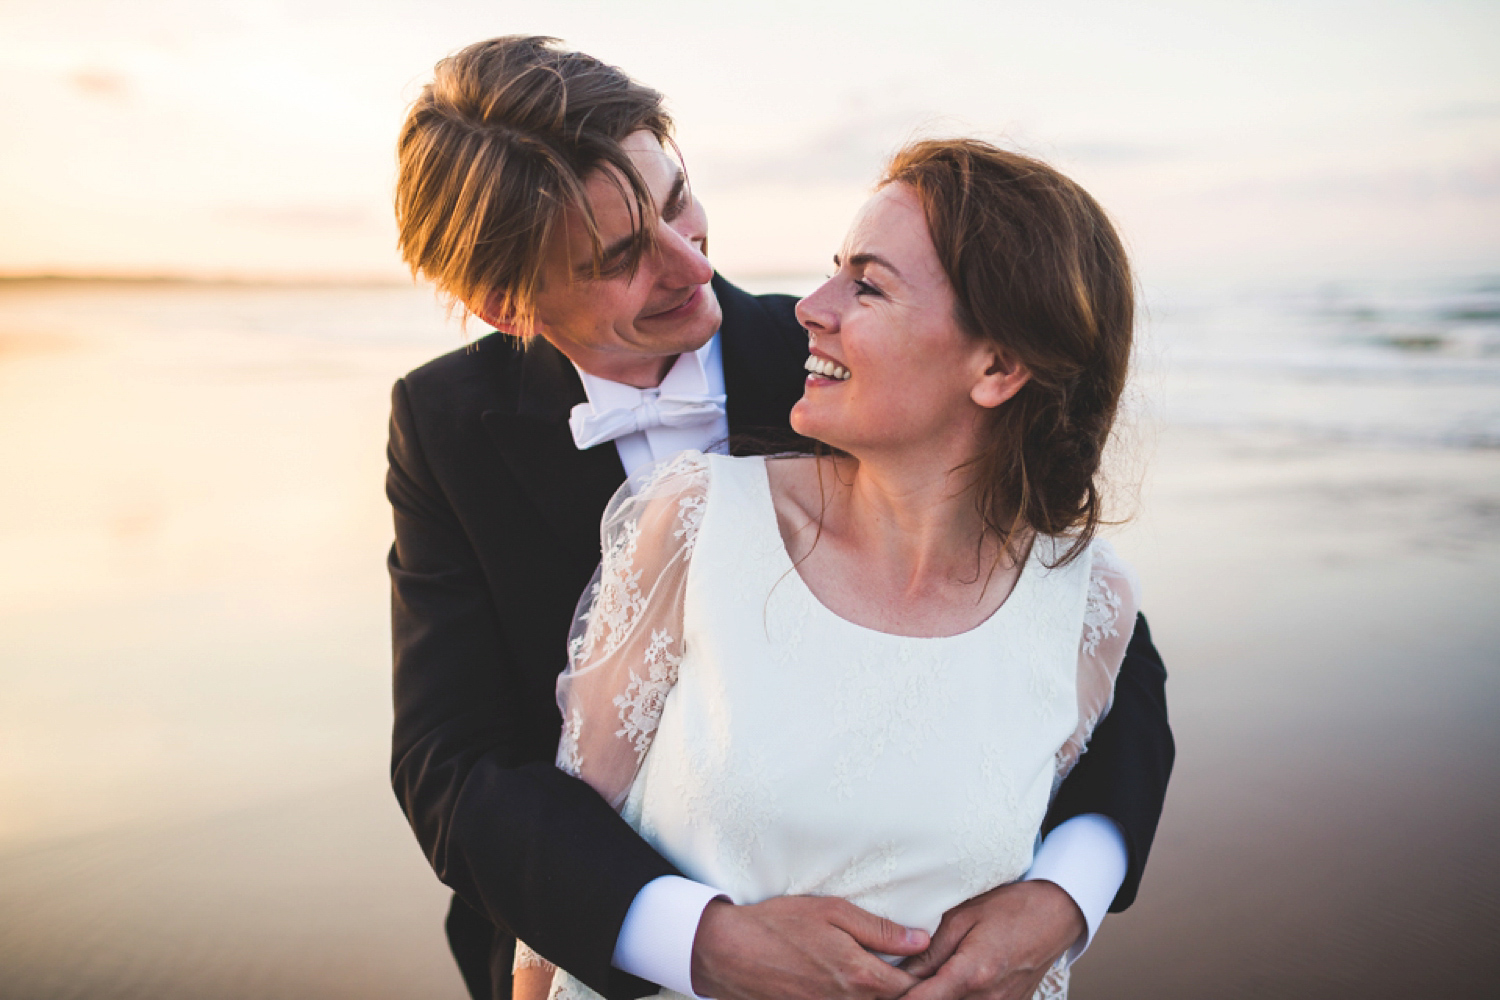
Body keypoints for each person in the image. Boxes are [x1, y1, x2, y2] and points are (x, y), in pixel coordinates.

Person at [387, 36, 1173, 1000]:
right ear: (508, 305)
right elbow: (452, 765)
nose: (689, 263)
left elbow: (1096, 666)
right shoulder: (446, 427)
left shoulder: (844, 369)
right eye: (625, 255)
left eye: (676, 199)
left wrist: (1061, 899)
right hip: (579, 943)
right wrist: (698, 943)